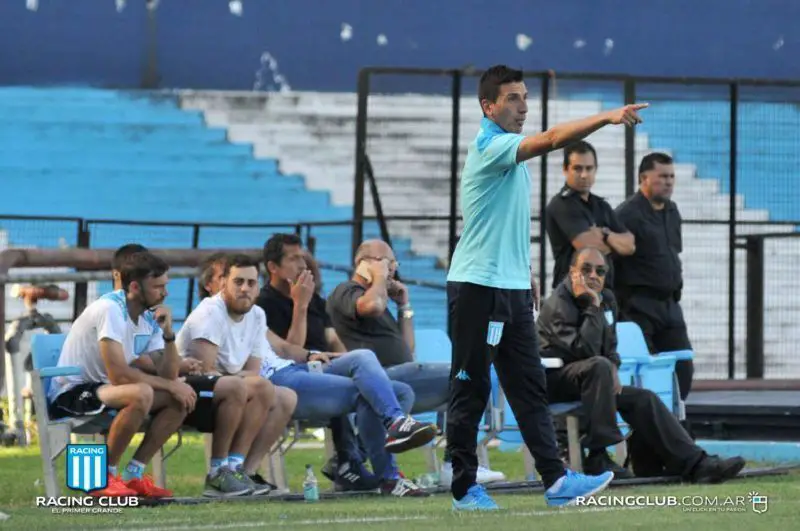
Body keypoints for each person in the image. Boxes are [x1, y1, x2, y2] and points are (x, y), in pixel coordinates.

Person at [444, 64, 647, 511]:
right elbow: (554, 137)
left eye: (524, 96)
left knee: (529, 383)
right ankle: (462, 486)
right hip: (478, 288)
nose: (522, 105)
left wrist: (523, 275)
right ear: (488, 106)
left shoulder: (507, 151)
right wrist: (606, 117)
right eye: (512, 98)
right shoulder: (491, 145)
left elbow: (501, 222)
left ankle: (555, 480)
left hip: (510, 287)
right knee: (472, 384)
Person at [537, 247, 745, 482]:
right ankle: (598, 457)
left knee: (643, 398)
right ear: (572, 272)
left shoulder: (607, 299)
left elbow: (610, 346)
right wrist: (592, 307)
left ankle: (697, 464)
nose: (593, 275)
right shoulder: (559, 303)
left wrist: (612, 365)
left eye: (600, 270)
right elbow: (583, 350)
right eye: (586, 269)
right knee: (598, 366)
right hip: (555, 381)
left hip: (594, 379)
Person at [326, 238, 506, 487]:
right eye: (388, 262)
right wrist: (378, 278)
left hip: (402, 375)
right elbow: (373, 306)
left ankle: (455, 463)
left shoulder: (380, 298)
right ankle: (456, 465)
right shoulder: (346, 291)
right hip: (381, 378)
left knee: (467, 381)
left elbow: (408, 350)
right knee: (469, 376)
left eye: (393, 264)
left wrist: (404, 305)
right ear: (364, 264)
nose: (392, 269)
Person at [48, 251, 192, 499]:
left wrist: (169, 333)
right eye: (158, 286)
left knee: (182, 397)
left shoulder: (149, 316)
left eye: (165, 286)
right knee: (142, 393)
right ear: (135, 286)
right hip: (72, 393)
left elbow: (168, 375)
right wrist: (170, 385)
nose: (165, 293)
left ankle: (133, 475)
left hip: (105, 391)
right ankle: (102, 478)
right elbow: (119, 375)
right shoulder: (110, 308)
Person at [178, 254, 297, 497]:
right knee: (253, 386)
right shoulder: (210, 312)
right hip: (188, 391)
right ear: (224, 284)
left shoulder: (257, 315)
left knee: (286, 397)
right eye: (238, 281)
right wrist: (236, 378)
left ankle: (243, 471)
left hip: (230, 388)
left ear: (259, 287)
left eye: (251, 283)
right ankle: (218, 472)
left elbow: (253, 370)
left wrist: (237, 378)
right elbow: (203, 370)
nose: (245, 289)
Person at [614, 153, 694, 401]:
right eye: (662, 176)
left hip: (670, 304)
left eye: (671, 176)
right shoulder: (627, 214)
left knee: (683, 367)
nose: (669, 182)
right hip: (639, 306)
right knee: (647, 371)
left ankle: (676, 424)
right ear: (643, 178)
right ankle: (645, 430)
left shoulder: (672, 211)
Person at [545, 141, 635, 289]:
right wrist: (615, 243)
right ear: (565, 170)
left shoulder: (601, 205)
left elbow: (630, 245)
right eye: (577, 168)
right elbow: (590, 248)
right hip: (573, 294)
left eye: (589, 168)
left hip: (604, 293)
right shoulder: (561, 204)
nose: (584, 175)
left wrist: (605, 234)